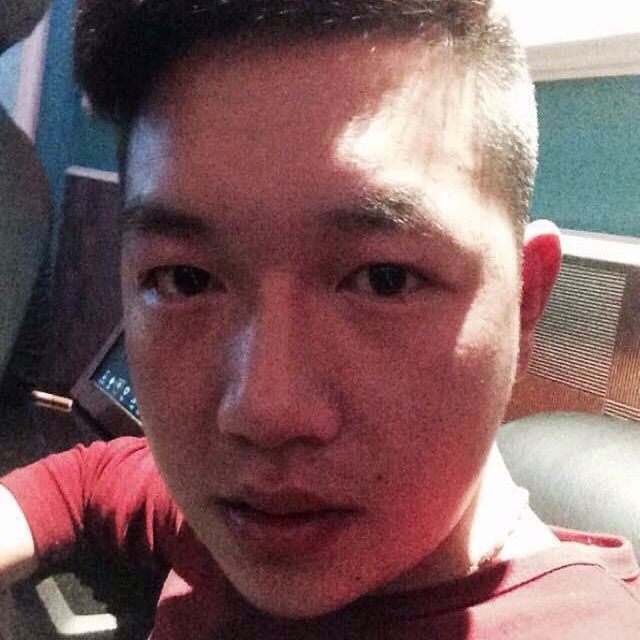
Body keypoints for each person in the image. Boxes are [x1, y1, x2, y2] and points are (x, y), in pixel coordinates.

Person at [1, 0, 639, 637]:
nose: (263, 414)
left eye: (384, 279)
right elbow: (85, 482)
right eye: (184, 279)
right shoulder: (239, 514)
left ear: (524, 301)